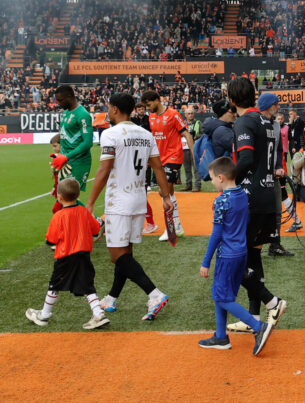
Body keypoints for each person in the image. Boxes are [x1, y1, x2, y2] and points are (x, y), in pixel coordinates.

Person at [87, 92, 173, 320]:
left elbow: (104, 169)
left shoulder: (110, 134)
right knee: (126, 253)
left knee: (117, 256)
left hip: (118, 201)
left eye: (108, 106)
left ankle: (154, 294)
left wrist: (90, 203)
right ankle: (112, 298)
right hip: (138, 199)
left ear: (115, 109)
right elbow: (158, 168)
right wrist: (166, 197)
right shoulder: (146, 134)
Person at [224, 77, 288, 334]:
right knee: (253, 256)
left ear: (231, 100)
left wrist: (228, 183)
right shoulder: (270, 122)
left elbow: (247, 158)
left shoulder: (244, 121)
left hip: (249, 199)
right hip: (268, 196)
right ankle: (252, 318)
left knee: (233, 262)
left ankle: (273, 302)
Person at [198, 157, 274, 355]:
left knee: (222, 297)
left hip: (227, 255)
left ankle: (259, 328)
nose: (212, 182)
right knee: (222, 294)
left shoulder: (222, 200)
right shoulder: (241, 194)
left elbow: (216, 234)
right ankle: (221, 336)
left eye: (213, 178)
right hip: (241, 252)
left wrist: (206, 262)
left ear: (221, 178)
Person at [25, 178, 109, 330]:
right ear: (77, 196)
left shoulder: (58, 216)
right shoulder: (84, 212)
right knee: (87, 285)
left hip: (65, 256)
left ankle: (44, 315)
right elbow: (96, 230)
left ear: (59, 197)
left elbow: (50, 240)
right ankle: (99, 314)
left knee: (54, 285)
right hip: (84, 255)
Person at [140, 90, 189, 242]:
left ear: (156, 100)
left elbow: (186, 134)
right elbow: (153, 139)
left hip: (174, 156)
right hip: (159, 159)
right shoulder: (152, 117)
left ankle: (171, 228)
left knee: (163, 191)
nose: (147, 108)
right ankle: (177, 224)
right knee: (170, 192)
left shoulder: (173, 114)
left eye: (148, 105)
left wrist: (194, 154)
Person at [258, 92, 293, 258]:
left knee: (277, 210)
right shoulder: (256, 123)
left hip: (274, 175)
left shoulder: (277, 125)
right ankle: (254, 244)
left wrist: (279, 166)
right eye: (276, 104)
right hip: (258, 176)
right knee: (257, 211)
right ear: (268, 105)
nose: (279, 107)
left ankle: (275, 244)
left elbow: (278, 149)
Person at [55, 85, 93, 195]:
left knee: (69, 199)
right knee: (61, 198)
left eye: (60, 100)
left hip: (78, 162)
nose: (58, 103)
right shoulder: (66, 112)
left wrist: (66, 157)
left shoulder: (82, 115)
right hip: (64, 162)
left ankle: (88, 213)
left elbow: (87, 143)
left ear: (69, 96)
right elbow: (65, 135)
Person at [182, 105, 203, 192]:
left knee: (196, 168)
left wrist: (197, 137)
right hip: (184, 147)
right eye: (189, 113)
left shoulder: (198, 123)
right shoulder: (182, 123)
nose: (191, 115)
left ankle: (197, 185)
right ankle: (188, 184)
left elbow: (203, 134)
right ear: (185, 115)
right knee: (187, 168)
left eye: (192, 113)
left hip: (195, 148)